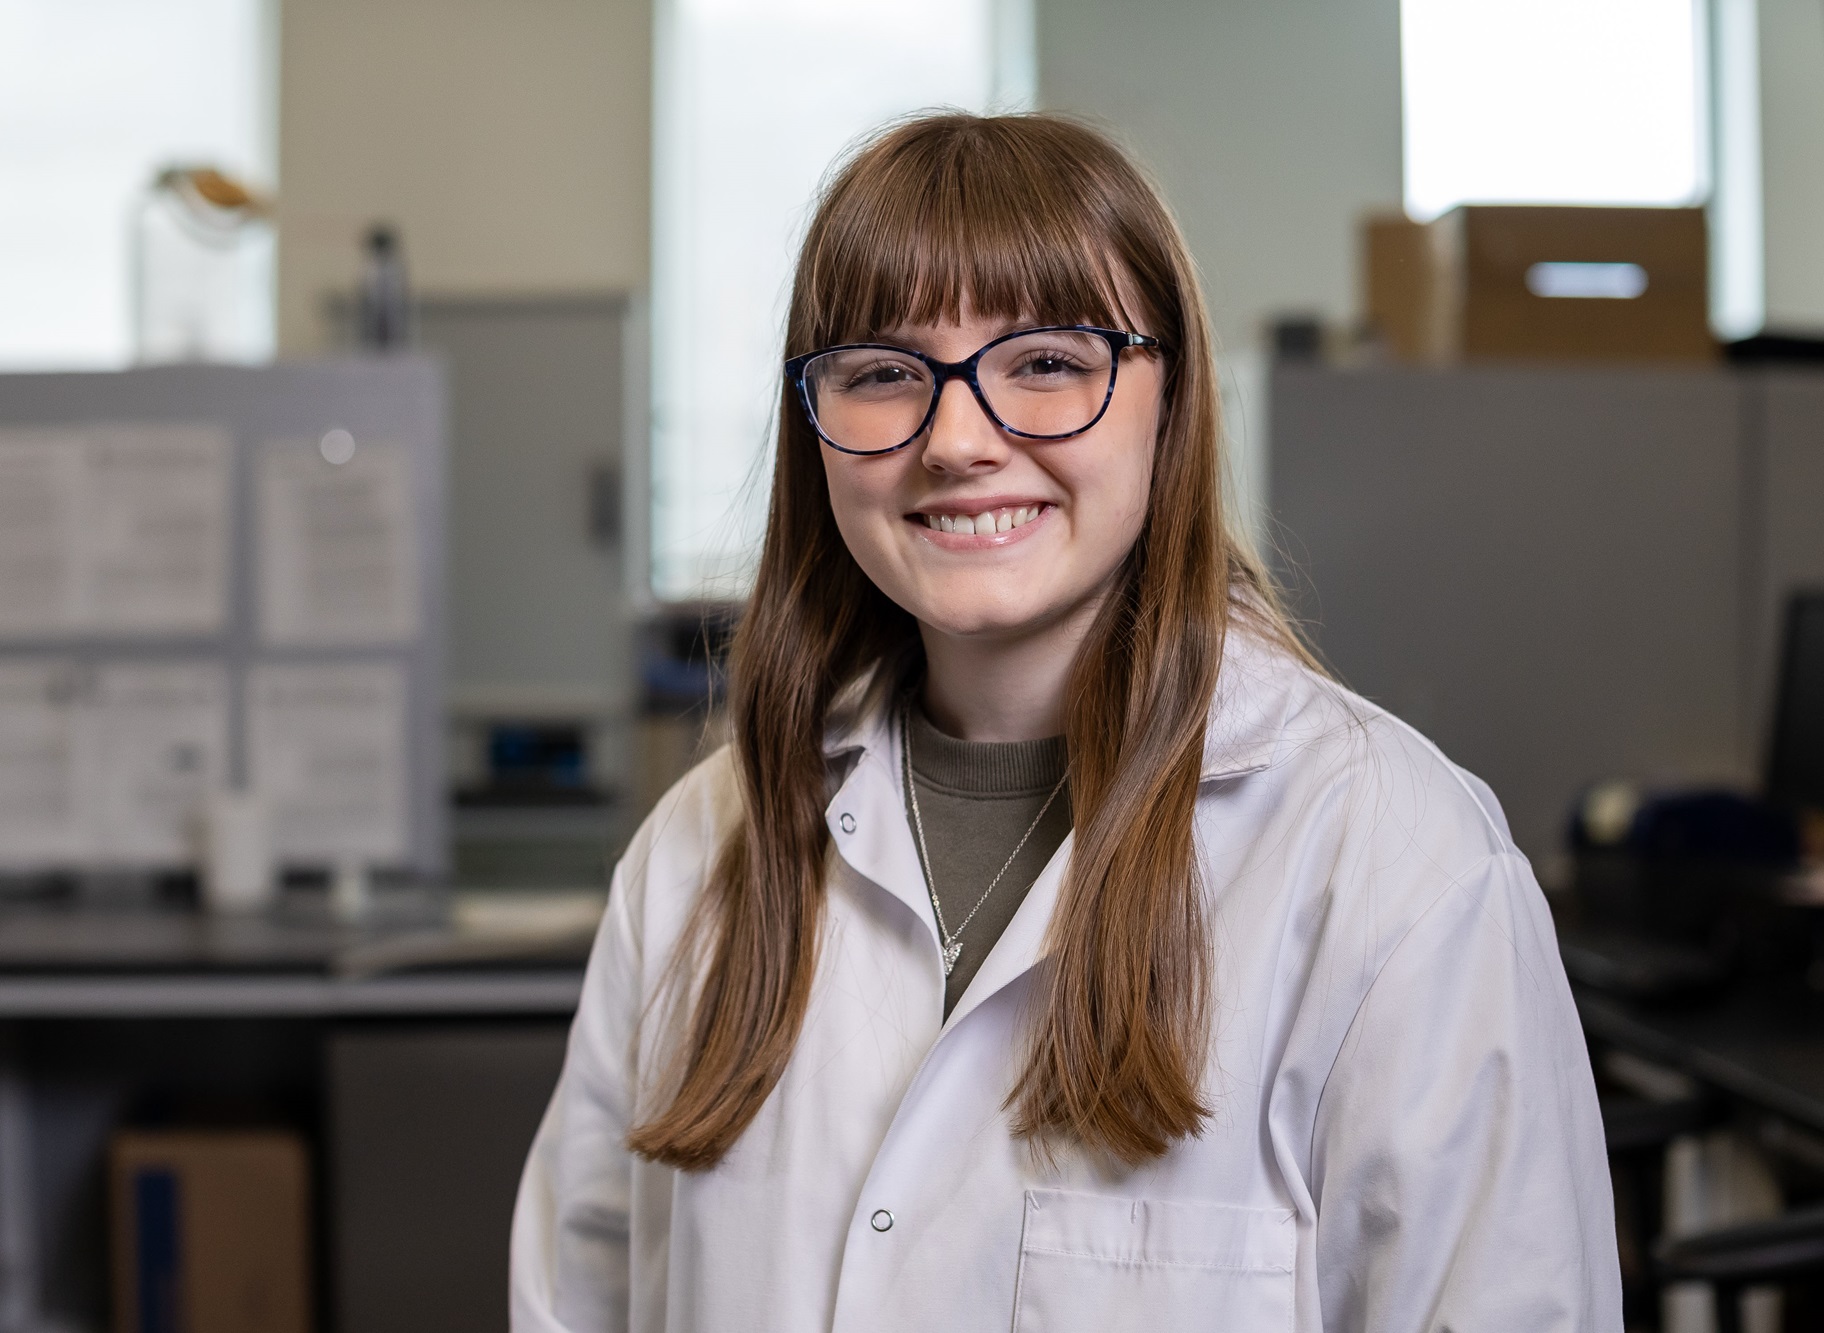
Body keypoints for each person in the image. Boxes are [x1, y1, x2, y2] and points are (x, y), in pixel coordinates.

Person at [511, 112, 1618, 1332]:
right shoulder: (693, 854)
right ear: (812, 425)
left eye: (1045, 361)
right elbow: (580, 1295)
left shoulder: (1393, 864)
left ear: (1171, 396)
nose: (958, 440)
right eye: (883, 373)